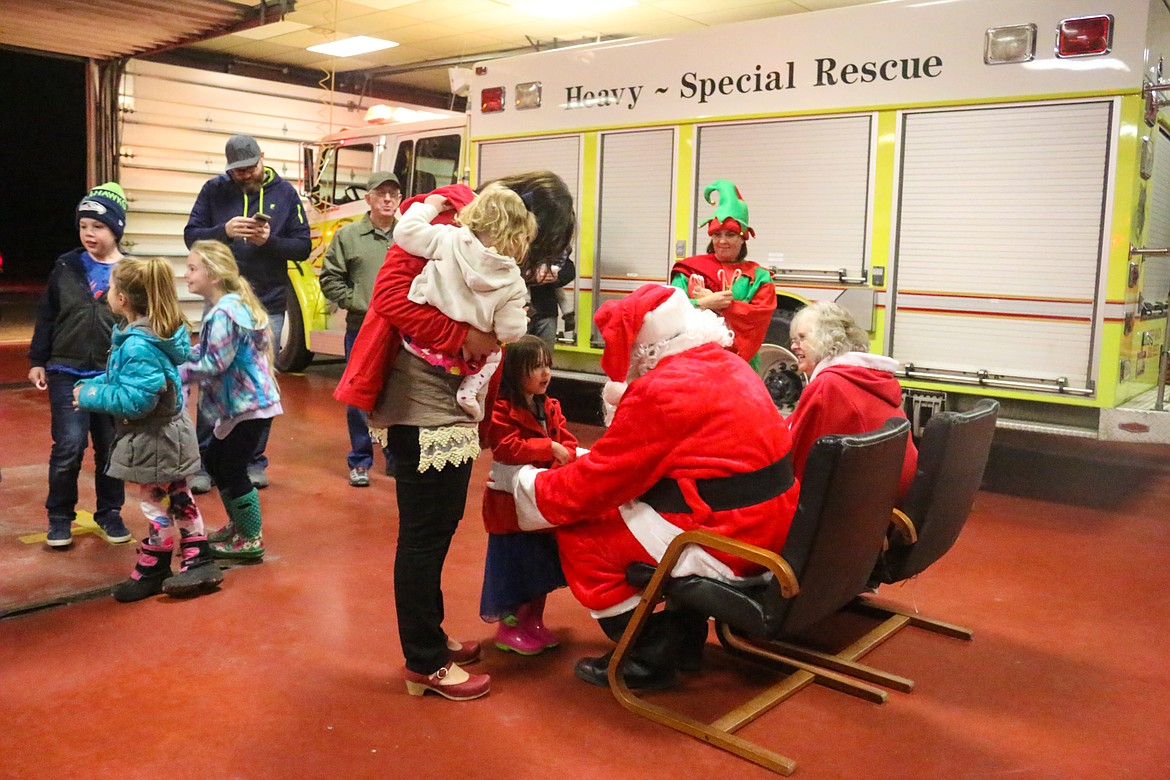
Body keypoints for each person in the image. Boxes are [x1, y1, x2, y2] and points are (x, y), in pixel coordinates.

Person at [334, 171, 576, 702]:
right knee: (424, 535)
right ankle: (424, 662)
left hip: (449, 398)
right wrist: (467, 336)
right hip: (419, 400)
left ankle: (432, 641)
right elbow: (389, 298)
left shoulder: (456, 228)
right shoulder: (441, 219)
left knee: (441, 525)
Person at [489, 283, 801, 691]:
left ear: (644, 348)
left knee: (587, 538)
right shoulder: (731, 364)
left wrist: (530, 485)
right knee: (632, 523)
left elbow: (600, 482)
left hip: (726, 532)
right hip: (774, 519)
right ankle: (682, 636)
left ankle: (649, 654)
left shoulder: (662, 388)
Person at [74, 257, 224, 602]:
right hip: (167, 435)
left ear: (123, 299)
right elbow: (131, 381)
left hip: (155, 438)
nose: (109, 294)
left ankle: (156, 565)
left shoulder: (138, 343)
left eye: (112, 289)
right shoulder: (148, 335)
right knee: (179, 497)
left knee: (156, 505)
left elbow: (138, 400)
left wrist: (92, 395)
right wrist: (95, 384)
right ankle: (196, 557)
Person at [183, 134, 310, 491]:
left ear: (263, 159)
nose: (244, 175)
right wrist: (223, 231)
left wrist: (268, 241)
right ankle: (204, 462)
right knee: (213, 379)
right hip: (220, 300)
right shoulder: (213, 191)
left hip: (266, 303)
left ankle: (254, 460)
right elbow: (191, 235)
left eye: (250, 168)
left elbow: (302, 247)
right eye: (237, 171)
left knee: (260, 382)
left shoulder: (285, 194)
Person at [28, 182, 130, 549]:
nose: (89, 233)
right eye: (84, 225)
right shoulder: (67, 266)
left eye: (98, 226)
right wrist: (38, 360)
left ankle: (110, 512)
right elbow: (47, 316)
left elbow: (143, 321)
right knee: (69, 445)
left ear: (116, 229)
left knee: (111, 446)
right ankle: (59, 517)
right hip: (66, 371)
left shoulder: (132, 271)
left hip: (111, 376)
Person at [393, 183, 537, 419]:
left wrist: (429, 208)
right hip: (465, 359)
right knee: (496, 354)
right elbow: (509, 332)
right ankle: (469, 390)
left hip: (418, 345)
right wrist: (522, 318)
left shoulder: (449, 239)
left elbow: (405, 232)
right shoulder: (511, 281)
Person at [180, 240, 282, 561]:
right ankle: (239, 525)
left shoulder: (223, 313)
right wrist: (184, 354)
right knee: (215, 462)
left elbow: (215, 363)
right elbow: (214, 351)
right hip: (246, 405)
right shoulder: (233, 306)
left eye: (193, 268)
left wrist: (177, 372)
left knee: (232, 468)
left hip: (247, 406)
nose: (186, 275)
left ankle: (251, 537)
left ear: (213, 273)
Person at [480, 336, 576, 655]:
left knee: (540, 566)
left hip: (541, 501)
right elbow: (507, 447)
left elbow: (567, 439)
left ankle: (534, 622)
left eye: (547, 364)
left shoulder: (550, 406)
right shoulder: (501, 407)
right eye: (535, 367)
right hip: (510, 506)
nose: (545, 373)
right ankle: (510, 628)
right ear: (513, 371)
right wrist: (549, 448)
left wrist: (569, 454)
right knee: (515, 569)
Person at [318, 171, 401, 487]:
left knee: (397, 397)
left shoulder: (409, 235)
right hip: (362, 330)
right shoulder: (348, 236)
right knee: (359, 396)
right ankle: (360, 460)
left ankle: (395, 459)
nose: (388, 199)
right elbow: (329, 279)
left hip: (402, 331)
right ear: (368, 198)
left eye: (393, 193)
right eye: (381, 193)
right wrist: (357, 301)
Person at [786, 300, 918, 498]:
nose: (794, 346)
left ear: (827, 340)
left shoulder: (829, 385)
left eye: (802, 338)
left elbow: (799, 463)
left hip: (860, 508)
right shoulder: (867, 377)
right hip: (886, 499)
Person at [669, 179, 776, 368]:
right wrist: (702, 303)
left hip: (740, 364)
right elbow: (670, 308)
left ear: (743, 238)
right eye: (717, 235)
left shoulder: (759, 277)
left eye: (730, 235)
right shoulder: (690, 269)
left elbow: (758, 317)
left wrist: (725, 307)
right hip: (694, 361)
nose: (722, 241)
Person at [525, 249, 575, 349]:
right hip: (521, 311)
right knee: (517, 356)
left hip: (547, 310)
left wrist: (555, 277)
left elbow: (569, 270)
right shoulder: (518, 244)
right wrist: (531, 276)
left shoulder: (552, 246)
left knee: (545, 356)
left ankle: (568, 314)